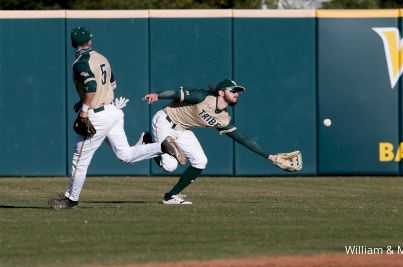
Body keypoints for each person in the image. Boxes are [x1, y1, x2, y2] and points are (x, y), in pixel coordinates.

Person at [48, 26, 182, 210]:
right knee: (124, 155)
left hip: (98, 114)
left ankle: (71, 200)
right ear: (90, 41)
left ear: (72, 43)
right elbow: (112, 84)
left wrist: (85, 109)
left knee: (79, 160)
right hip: (113, 110)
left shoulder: (80, 63)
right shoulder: (102, 58)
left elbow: (92, 86)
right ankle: (162, 146)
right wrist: (87, 102)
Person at [141, 79, 279, 205]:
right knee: (169, 166)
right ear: (220, 92)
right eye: (233, 90)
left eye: (238, 91)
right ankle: (148, 142)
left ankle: (171, 196)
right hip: (165, 121)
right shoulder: (203, 97)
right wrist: (158, 95)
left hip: (183, 130)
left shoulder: (223, 119)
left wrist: (271, 157)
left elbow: (244, 140)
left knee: (200, 161)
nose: (237, 93)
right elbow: (176, 94)